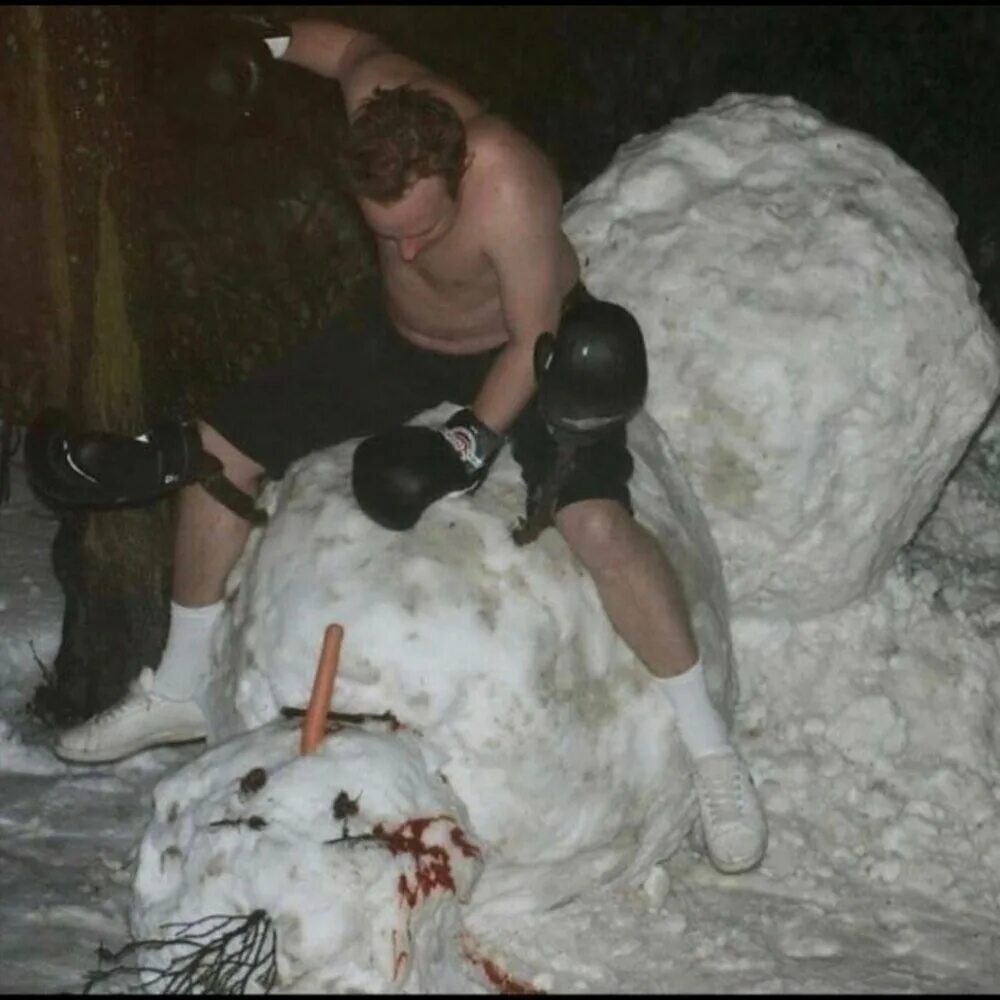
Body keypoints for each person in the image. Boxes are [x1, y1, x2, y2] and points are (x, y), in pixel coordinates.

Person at [50, 15, 766, 875]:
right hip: (399, 344)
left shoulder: (511, 179)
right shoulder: (376, 100)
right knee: (216, 449)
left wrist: (468, 445)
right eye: (388, 235)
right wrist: (248, 47)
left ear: (458, 168)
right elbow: (341, 46)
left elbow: (531, 339)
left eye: (425, 229)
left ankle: (711, 751)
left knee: (598, 527)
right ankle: (177, 686)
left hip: (529, 353)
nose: (411, 248)